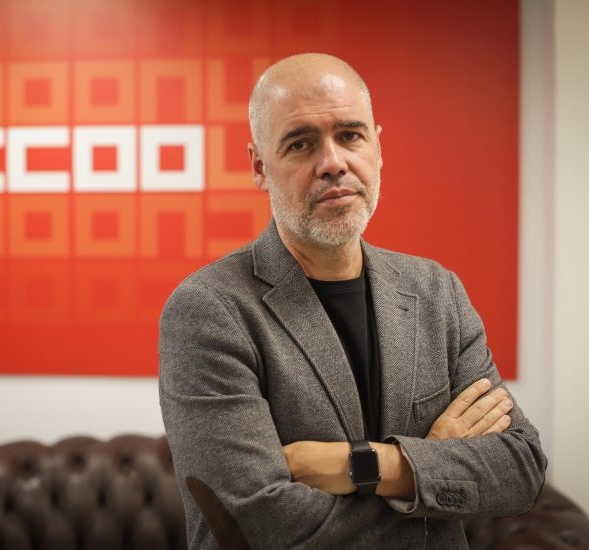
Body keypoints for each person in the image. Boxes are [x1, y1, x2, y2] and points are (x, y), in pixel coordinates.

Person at [159, 53, 546, 549]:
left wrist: (375, 464)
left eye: (350, 135)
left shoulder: (437, 292)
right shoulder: (210, 310)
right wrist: (432, 468)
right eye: (300, 144)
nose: (333, 163)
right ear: (259, 167)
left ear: (378, 148)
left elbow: (520, 467)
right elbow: (255, 522)